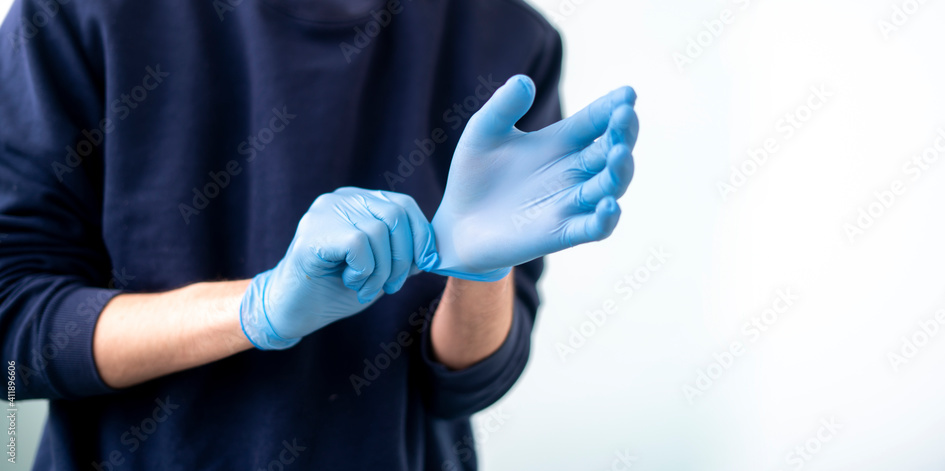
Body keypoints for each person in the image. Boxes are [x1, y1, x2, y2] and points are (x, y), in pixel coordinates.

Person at [0, 0, 638, 469]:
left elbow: (469, 383)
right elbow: (14, 334)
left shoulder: (504, 36)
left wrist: (482, 271)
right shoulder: (77, 16)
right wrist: (254, 311)